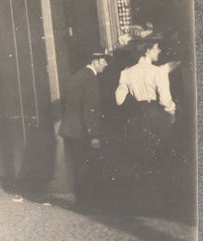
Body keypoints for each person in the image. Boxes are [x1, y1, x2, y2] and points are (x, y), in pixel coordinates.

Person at [113, 32, 178, 212]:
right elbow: (165, 100)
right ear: (148, 50)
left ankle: (141, 203)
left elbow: (119, 100)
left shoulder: (126, 73)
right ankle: (159, 204)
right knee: (158, 156)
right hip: (155, 116)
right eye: (157, 48)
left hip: (136, 116)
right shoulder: (158, 72)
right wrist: (172, 113)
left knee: (139, 157)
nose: (159, 51)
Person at [61, 50, 110, 209]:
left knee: (77, 166)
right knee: (86, 166)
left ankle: (81, 201)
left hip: (71, 130)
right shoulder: (91, 78)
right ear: (95, 61)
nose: (106, 64)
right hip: (83, 131)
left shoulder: (76, 76)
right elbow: (90, 109)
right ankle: (87, 204)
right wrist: (94, 135)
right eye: (103, 61)